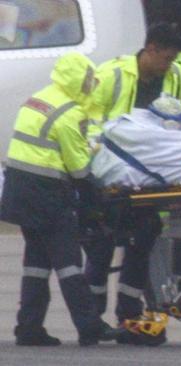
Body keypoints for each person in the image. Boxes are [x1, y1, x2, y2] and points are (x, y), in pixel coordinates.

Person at [85, 22, 181, 345]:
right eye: (167, 57)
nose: (170, 64)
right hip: (110, 179)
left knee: (142, 242)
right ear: (150, 49)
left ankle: (129, 315)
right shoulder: (113, 75)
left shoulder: (174, 76)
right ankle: (90, 318)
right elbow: (85, 118)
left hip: (148, 182)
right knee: (101, 248)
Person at [0, 52, 123, 346]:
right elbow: (79, 168)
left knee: (36, 263)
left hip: (19, 190)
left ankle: (29, 328)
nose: (91, 85)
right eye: (89, 80)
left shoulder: (38, 99)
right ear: (79, 80)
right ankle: (90, 325)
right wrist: (97, 193)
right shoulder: (70, 114)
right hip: (47, 194)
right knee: (69, 264)